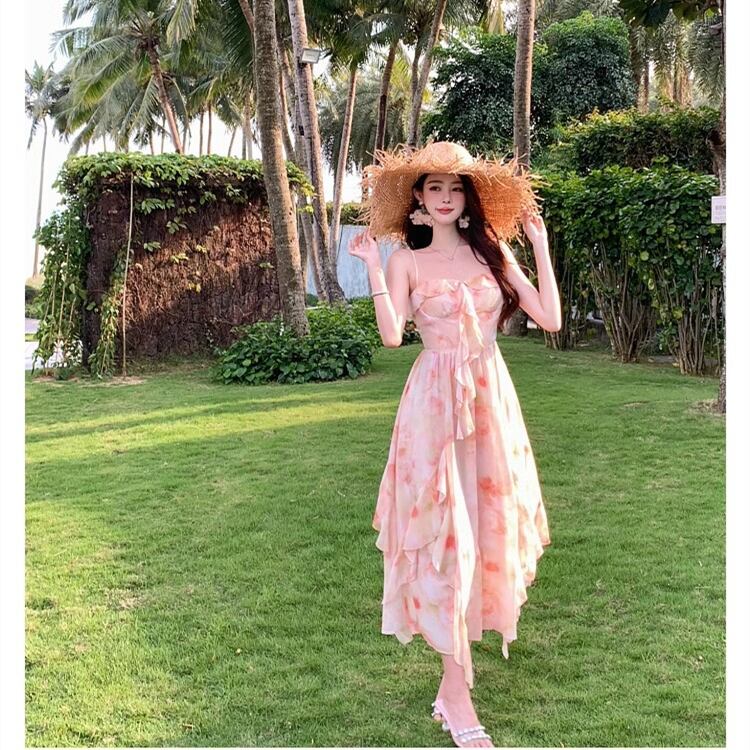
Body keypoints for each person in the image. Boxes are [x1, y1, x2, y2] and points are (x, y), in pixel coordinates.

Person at [349, 140, 561, 748]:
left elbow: (550, 318)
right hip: (432, 407)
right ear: (418, 197)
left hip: (490, 400)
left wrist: (540, 247)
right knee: (444, 536)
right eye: (434, 187)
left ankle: (452, 689)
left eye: (455, 188)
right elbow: (393, 337)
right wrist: (372, 267)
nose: (445, 197)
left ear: (468, 198)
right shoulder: (405, 261)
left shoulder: (491, 254)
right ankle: (457, 692)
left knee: (485, 527)